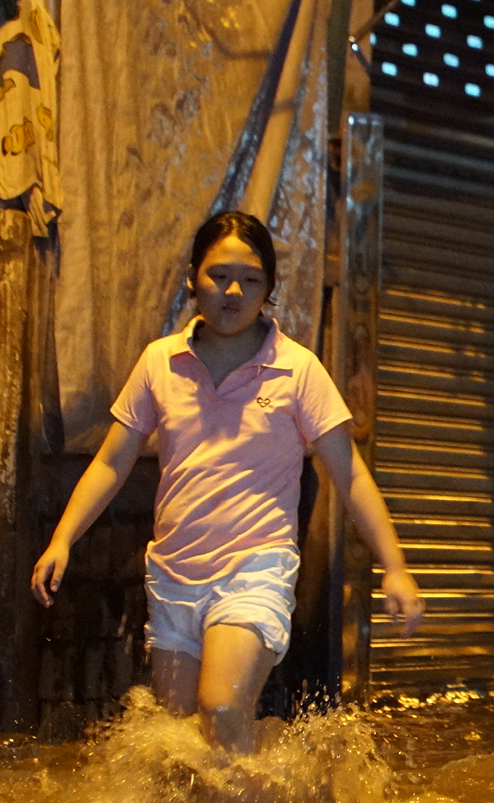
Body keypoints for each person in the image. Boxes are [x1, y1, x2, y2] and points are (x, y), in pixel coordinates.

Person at [31, 211, 423, 754]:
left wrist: (395, 567)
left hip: (255, 568)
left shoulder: (298, 369)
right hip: (174, 573)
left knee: (220, 709)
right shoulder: (160, 362)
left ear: (269, 290)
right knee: (177, 741)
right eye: (219, 275)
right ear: (192, 277)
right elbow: (109, 463)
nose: (233, 291)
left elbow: (349, 471)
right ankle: (266, 796)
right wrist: (62, 539)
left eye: (252, 279)